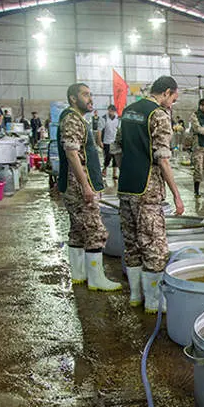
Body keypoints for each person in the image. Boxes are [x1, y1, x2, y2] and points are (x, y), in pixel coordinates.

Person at [116, 76, 184, 314]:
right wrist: (176, 194)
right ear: (166, 92)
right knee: (154, 247)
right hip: (147, 190)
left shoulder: (128, 111)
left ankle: (136, 296)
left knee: (132, 243)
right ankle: (154, 303)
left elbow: (117, 147)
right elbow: (163, 159)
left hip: (125, 186)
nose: (172, 104)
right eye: (173, 99)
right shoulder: (158, 115)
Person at [57, 83, 121, 292]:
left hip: (75, 184)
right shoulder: (72, 119)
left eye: (90, 94)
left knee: (77, 230)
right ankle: (96, 279)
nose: (90, 98)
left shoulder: (77, 119)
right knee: (95, 230)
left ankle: (78, 274)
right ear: (73, 98)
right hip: (79, 185)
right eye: (85, 95)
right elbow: (72, 153)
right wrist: (86, 186)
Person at [99, 105, 120, 182]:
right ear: (108, 110)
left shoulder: (117, 119)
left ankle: (115, 174)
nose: (112, 112)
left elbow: (118, 129)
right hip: (106, 141)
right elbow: (99, 131)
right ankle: (104, 170)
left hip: (115, 142)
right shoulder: (103, 118)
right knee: (107, 157)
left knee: (115, 158)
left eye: (113, 111)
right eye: (110, 111)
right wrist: (99, 141)